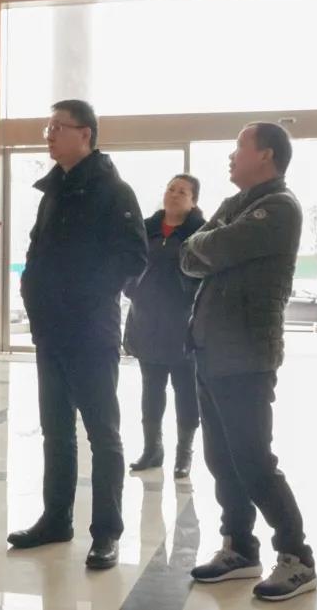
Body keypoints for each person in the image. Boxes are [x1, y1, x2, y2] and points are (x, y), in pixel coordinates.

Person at [7, 99, 147, 571]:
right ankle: (56, 519)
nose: (48, 134)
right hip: (51, 331)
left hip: (91, 331)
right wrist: (32, 291)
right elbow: (37, 250)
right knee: (55, 430)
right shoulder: (54, 191)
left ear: (85, 134)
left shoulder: (114, 191)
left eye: (57, 127)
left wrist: (86, 297)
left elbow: (133, 257)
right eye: (47, 127)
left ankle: (106, 532)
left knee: (102, 433)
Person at [181, 122, 317, 603]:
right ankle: (239, 547)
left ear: (267, 155)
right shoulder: (235, 205)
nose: (231, 155)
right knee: (221, 458)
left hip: (246, 355)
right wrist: (207, 244)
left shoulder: (278, 207)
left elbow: (212, 247)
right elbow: (189, 256)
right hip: (210, 349)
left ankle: (297, 557)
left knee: (254, 460)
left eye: (240, 146)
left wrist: (209, 244)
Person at [123, 174, 206, 478]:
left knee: (185, 391)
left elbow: (204, 274)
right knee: (151, 389)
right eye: (171, 189)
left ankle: (184, 454)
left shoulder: (201, 233)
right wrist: (131, 287)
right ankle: (152, 448)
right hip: (146, 319)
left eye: (182, 192)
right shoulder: (146, 228)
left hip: (183, 323)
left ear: (193, 201)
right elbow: (129, 263)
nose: (174, 194)